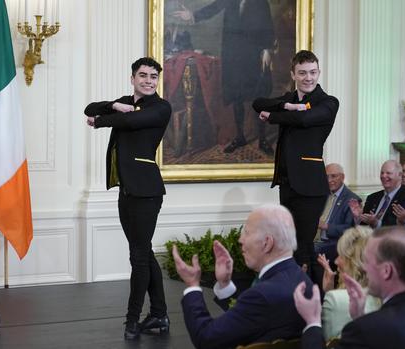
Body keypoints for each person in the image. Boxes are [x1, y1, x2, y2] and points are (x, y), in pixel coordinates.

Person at [84, 57, 171, 340]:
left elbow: (131, 120)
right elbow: (89, 108)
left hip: (148, 192)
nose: (148, 80)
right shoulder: (124, 102)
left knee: (138, 257)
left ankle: (132, 319)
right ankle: (159, 314)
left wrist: (100, 121)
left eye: (153, 76)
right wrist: (112, 105)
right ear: (132, 78)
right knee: (143, 252)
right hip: (127, 190)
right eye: (143, 75)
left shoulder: (160, 107)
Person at [172, 204, 312, 348]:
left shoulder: (262, 295)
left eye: (247, 233)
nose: (240, 239)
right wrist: (225, 284)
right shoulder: (302, 279)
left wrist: (192, 286)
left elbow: (206, 338)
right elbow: (251, 319)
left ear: (267, 243)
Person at [253, 50, 339, 274]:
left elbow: (304, 119)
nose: (308, 78)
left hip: (311, 186)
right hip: (288, 182)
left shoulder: (328, 102)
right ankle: (299, 297)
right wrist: (287, 106)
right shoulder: (289, 99)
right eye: (302, 73)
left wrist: (272, 116)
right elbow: (257, 103)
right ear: (293, 74)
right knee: (290, 244)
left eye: (312, 72)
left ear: (319, 73)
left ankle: (313, 299)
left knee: (304, 245)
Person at [172, 0, 276, 155]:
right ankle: (240, 136)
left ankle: (263, 139)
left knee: (258, 97)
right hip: (233, 54)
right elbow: (214, 8)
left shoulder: (260, 2)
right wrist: (192, 15)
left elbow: (268, 25)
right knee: (236, 96)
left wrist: (267, 49)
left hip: (255, 55)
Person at [294, 226, 405, 348]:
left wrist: (312, 322)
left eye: (368, 261)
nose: (364, 268)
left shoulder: (366, 329)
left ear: (387, 271)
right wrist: (360, 317)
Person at [316, 226, 381, 340]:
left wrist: (329, 295)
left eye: (341, 256)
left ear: (354, 261)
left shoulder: (335, 300)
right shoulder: (386, 297)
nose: (336, 261)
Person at [314, 163, 360, 265]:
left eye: (333, 176)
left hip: (335, 243)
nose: (329, 180)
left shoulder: (352, 199)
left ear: (342, 177)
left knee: (311, 250)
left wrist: (326, 226)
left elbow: (349, 229)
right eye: (326, 177)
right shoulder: (322, 195)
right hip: (316, 239)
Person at [349, 160, 405, 228]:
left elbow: (397, 227)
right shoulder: (372, 198)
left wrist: (376, 223)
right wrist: (358, 217)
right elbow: (362, 227)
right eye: (382, 173)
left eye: (388, 173)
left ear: (399, 175)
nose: (383, 176)